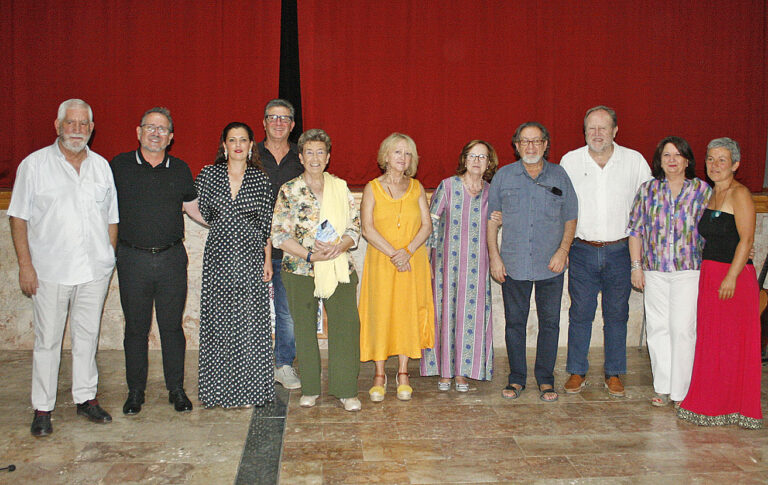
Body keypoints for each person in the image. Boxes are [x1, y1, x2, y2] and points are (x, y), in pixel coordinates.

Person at [8, 99, 118, 437]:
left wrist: (108, 259)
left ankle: (86, 398)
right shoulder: (34, 165)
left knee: (87, 337)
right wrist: (25, 266)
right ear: (58, 126)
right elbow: (18, 217)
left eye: (84, 124)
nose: (77, 130)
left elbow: (111, 219)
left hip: (93, 271)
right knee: (48, 341)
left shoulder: (101, 167)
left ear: (92, 129)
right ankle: (43, 408)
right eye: (71, 123)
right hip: (49, 272)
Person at [111, 107, 205, 415]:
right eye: (150, 127)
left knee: (172, 327)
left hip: (171, 259)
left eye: (162, 129)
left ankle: (176, 389)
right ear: (138, 132)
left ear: (171, 137)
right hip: (132, 258)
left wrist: (228, 223)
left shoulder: (180, 169)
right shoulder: (119, 166)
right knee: (135, 329)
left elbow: (193, 208)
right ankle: (135, 391)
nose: (155, 133)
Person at [560, 106, 652, 397]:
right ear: (584, 131)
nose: (597, 133)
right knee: (580, 313)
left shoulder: (634, 161)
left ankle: (614, 373)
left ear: (615, 130)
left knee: (617, 314)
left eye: (603, 128)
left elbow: (647, 207)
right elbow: (561, 207)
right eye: (591, 128)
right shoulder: (570, 161)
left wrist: (642, 257)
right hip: (582, 250)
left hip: (621, 251)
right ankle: (577, 371)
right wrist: (562, 247)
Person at [271, 129, 362, 411]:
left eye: (320, 152)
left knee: (346, 326)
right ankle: (310, 388)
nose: (314, 158)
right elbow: (279, 234)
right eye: (308, 152)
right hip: (299, 269)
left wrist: (340, 246)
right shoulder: (289, 190)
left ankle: (346, 390)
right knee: (304, 329)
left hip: (338, 265)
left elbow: (354, 226)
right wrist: (310, 255)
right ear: (300, 157)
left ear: (328, 157)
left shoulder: (340, 187)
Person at [487, 123, 578, 402]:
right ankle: (516, 378)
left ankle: (546, 379)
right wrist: (494, 257)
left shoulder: (559, 175)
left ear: (546, 144)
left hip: (551, 264)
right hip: (513, 264)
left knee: (550, 323)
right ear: (516, 145)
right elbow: (491, 220)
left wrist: (563, 251)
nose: (531, 146)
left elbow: (571, 216)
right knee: (515, 324)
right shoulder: (504, 176)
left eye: (536, 141)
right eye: (525, 141)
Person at [677, 138, 763, 429]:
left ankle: (735, 407)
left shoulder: (740, 194)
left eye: (722, 159)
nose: (714, 165)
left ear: (735, 164)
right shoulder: (711, 192)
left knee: (731, 345)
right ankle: (711, 403)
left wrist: (731, 277)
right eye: (710, 159)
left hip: (733, 279)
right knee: (713, 342)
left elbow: (747, 240)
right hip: (711, 274)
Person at [195, 122, 276, 408]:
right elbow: (197, 209)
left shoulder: (260, 179)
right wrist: (223, 227)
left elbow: (266, 225)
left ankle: (249, 391)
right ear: (224, 145)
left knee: (250, 324)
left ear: (251, 145)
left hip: (250, 257)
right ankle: (218, 392)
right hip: (218, 258)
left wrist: (267, 260)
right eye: (232, 140)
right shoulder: (209, 175)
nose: (238, 145)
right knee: (219, 323)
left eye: (243, 140)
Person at [627, 136, 711, 407]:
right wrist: (636, 267)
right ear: (659, 161)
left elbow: (715, 228)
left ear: (687, 160)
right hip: (655, 271)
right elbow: (635, 231)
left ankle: (681, 391)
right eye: (666, 155)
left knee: (682, 329)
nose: (672, 160)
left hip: (689, 270)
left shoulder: (702, 190)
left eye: (678, 155)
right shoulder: (648, 190)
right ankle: (663, 387)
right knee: (658, 329)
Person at [359, 133, 434, 402]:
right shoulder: (372, 188)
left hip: (412, 262)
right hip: (382, 262)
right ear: (386, 156)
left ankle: (403, 374)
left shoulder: (417, 187)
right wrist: (394, 254)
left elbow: (427, 225)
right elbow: (367, 229)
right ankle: (379, 375)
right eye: (398, 152)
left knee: (406, 314)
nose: (403, 158)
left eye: (408, 153)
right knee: (380, 314)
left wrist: (407, 252)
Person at [419, 140, 498, 391]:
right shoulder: (448, 186)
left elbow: (497, 222)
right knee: (444, 315)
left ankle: (463, 371)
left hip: (477, 267)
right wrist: (426, 261)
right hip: (446, 266)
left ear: (489, 163)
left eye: (482, 157)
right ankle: (444, 371)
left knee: (471, 317)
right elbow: (430, 224)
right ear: (464, 159)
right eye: (472, 155)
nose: (477, 161)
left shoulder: (492, 192)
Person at [257, 99, 303, 390]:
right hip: (252, 248)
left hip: (290, 249)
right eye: (272, 117)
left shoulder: (302, 156)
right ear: (264, 122)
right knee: (251, 309)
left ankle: (283, 365)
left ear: (292, 125)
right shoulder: (249, 153)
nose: (278, 123)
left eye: (284, 118)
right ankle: (252, 365)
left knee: (288, 312)